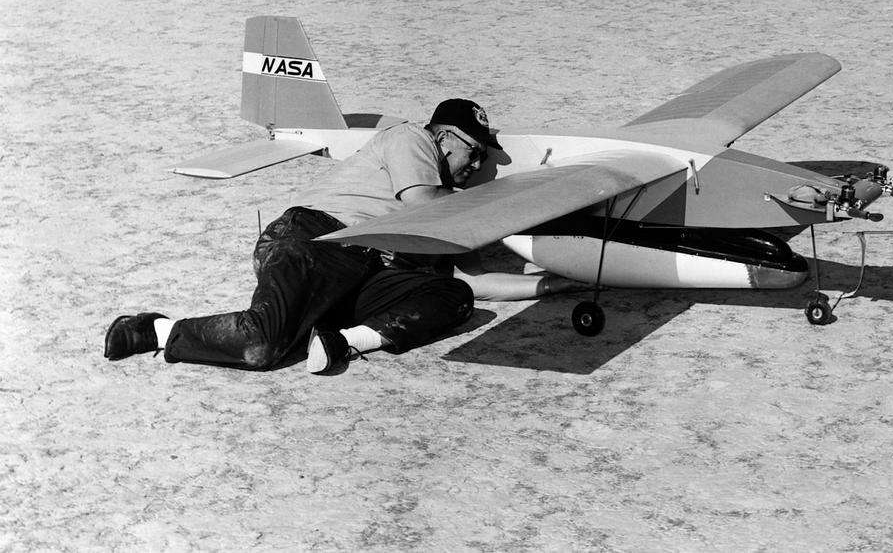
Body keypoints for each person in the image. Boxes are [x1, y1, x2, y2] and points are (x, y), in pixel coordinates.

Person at [104, 98, 573, 375]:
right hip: (316, 239)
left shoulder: (442, 196)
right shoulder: (413, 140)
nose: (476, 165)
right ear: (445, 136)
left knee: (451, 296)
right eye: (472, 151)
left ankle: (342, 341)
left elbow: (474, 280)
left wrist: (554, 284)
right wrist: (506, 210)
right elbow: (424, 203)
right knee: (263, 345)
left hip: (367, 265)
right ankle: (157, 330)